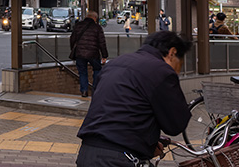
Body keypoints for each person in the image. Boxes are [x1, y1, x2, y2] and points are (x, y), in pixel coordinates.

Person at [76, 31, 192, 166]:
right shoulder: (161, 71)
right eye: (179, 65)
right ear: (172, 53)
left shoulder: (114, 64)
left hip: (87, 153)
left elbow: (120, 111)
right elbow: (175, 125)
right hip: (118, 160)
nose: (177, 71)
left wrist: (147, 143)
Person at [69, 10, 108, 97]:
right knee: (97, 70)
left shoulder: (78, 25)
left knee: (82, 72)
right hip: (93, 54)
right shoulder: (97, 27)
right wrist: (104, 55)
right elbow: (102, 43)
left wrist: (74, 50)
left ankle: (84, 91)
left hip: (80, 53)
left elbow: (72, 39)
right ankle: (95, 90)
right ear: (94, 18)